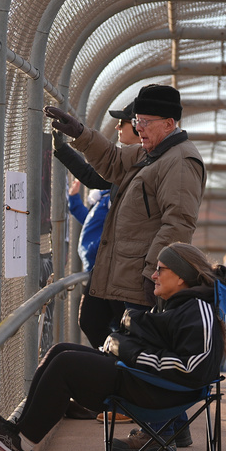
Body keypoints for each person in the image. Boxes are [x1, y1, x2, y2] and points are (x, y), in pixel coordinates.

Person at [0, 243, 226, 451]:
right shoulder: (175, 305)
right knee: (59, 350)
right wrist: (121, 346)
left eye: (160, 270)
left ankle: (23, 443)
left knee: (65, 365)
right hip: (144, 380)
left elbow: (193, 367)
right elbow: (143, 341)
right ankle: (19, 431)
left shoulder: (199, 310)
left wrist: (131, 353)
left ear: (181, 277)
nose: (154, 276)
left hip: (160, 392)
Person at [45, 84, 205, 339]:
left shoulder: (181, 162)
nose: (138, 127)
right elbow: (112, 160)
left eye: (144, 121)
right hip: (121, 270)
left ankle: (115, 377)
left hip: (142, 277)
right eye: (136, 120)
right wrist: (80, 133)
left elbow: (178, 224)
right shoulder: (150, 153)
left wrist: (155, 273)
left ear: (169, 123)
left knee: (128, 341)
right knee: (94, 322)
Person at [54, 101, 142, 347]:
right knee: (91, 320)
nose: (117, 127)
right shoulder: (125, 164)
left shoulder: (148, 165)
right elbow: (94, 177)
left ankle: (122, 368)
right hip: (109, 263)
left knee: (125, 324)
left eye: (122, 122)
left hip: (128, 265)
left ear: (137, 126)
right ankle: (114, 364)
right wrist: (63, 149)